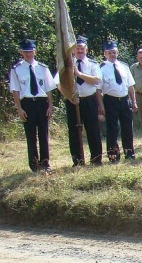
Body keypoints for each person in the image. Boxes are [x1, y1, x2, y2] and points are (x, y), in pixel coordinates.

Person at [9, 39, 57, 173]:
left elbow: (48, 88)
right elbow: (15, 90)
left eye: (30, 51)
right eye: (25, 52)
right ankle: (34, 165)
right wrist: (19, 108)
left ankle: (45, 163)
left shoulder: (43, 67)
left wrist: (50, 106)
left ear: (35, 51)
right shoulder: (16, 69)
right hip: (27, 103)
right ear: (21, 52)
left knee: (44, 134)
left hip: (42, 103)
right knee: (31, 135)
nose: (28, 54)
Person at [65, 35, 104, 165]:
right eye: (77, 48)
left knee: (93, 129)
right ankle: (78, 160)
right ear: (73, 50)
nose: (80, 51)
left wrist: (79, 74)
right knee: (74, 131)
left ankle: (96, 159)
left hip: (89, 100)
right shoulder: (67, 65)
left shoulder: (93, 64)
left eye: (82, 48)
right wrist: (70, 96)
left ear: (86, 50)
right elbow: (59, 84)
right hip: (73, 101)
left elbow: (96, 80)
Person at [97, 40, 138, 161]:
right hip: (110, 100)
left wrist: (134, 101)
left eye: (114, 52)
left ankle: (129, 152)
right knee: (112, 128)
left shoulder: (124, 67)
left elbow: (130, 85)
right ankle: (113, 154)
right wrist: (100, 106)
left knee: (127, 127)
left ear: (117, 53)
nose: (112, 55)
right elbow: (98, 90)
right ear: (105, 54)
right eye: (109, 52)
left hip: (125, 100)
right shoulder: (101, 68)